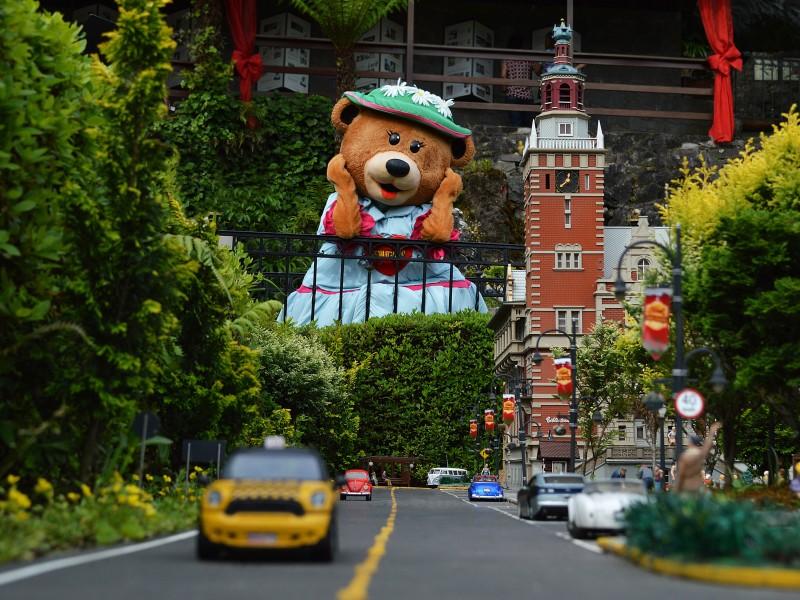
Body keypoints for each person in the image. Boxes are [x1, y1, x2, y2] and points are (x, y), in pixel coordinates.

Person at [501, 34, 540, 128]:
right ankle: (529, 142)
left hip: (512, 95)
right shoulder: (527, 57)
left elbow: (503, 76)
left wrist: (504, 89)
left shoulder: (507, 59)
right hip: (527, 95)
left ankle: (517, 141)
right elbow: (538, 71)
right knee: (529, 125)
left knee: (516, 124)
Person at [675, 422, 721, 492]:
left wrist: (676, 489)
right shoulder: (700, 454)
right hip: (697, 487)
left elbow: (681, 474)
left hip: (687, 487)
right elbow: (707, 447)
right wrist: (712, 431)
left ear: (690, 443)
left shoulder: (685, 456)